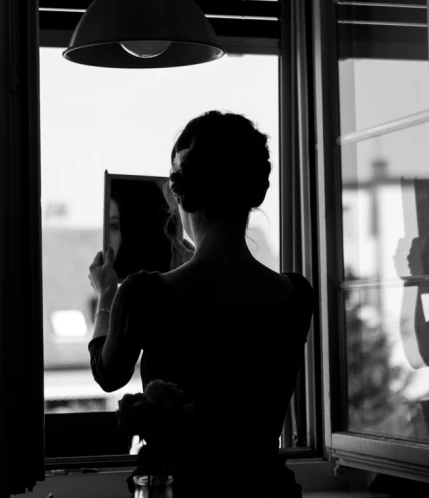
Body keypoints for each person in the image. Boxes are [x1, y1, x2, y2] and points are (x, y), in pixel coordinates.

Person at [88, 111, 315, 497]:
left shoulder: (143, 295)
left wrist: (106, 298)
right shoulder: (296, 295)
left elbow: (108, 374)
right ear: (254, 192)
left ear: (180, 195)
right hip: (267, 491)